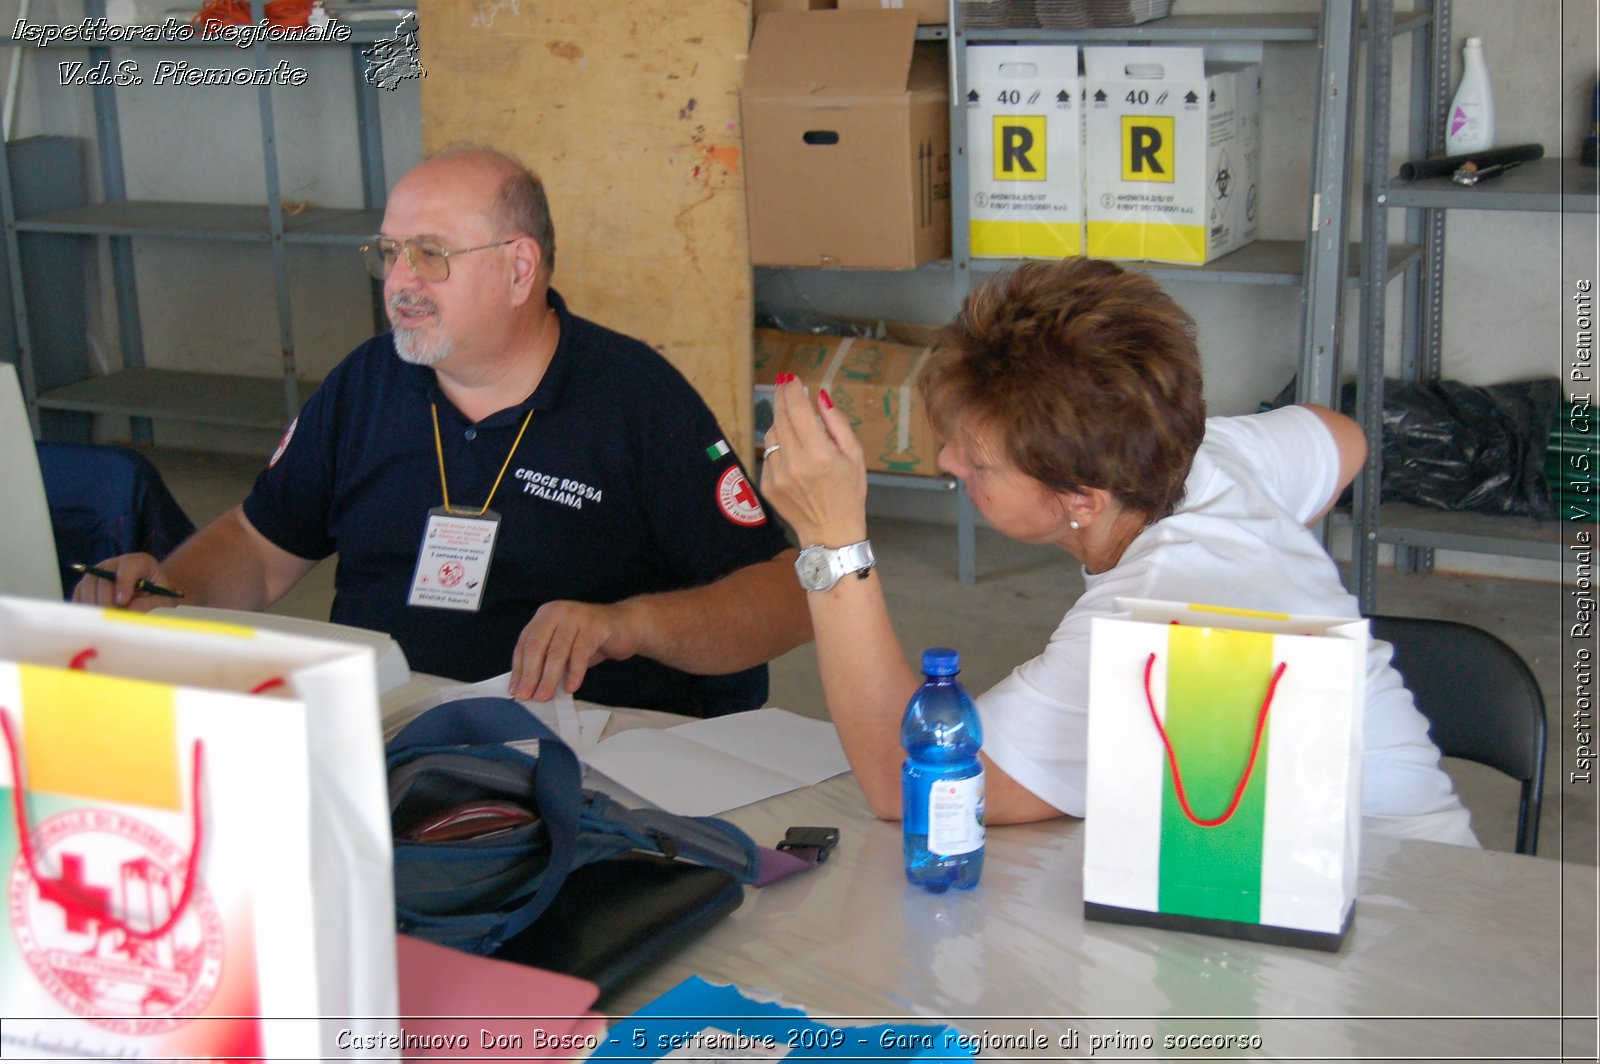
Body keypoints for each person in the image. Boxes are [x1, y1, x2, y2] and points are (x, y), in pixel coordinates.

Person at [760, 257, 1477, 846]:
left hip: (1383, 917)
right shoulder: (1205, 455)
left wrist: (832, 540)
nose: (949, 461)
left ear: (1082, 499)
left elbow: (910, 785)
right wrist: (1264, 546)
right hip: (1378, 876)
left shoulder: (1143, 623)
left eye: (981, 463)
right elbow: (1340, 437)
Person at [74, 147, 811, 717]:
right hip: (384, 733)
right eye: (389, 253)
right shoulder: (366, 383)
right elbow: (262, 550)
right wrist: (169, 591)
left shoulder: (637, 402)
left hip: (588, 756)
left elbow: (786, 596)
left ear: (521, 268)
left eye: (431, 254)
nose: (400, 281)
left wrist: (633, 624)